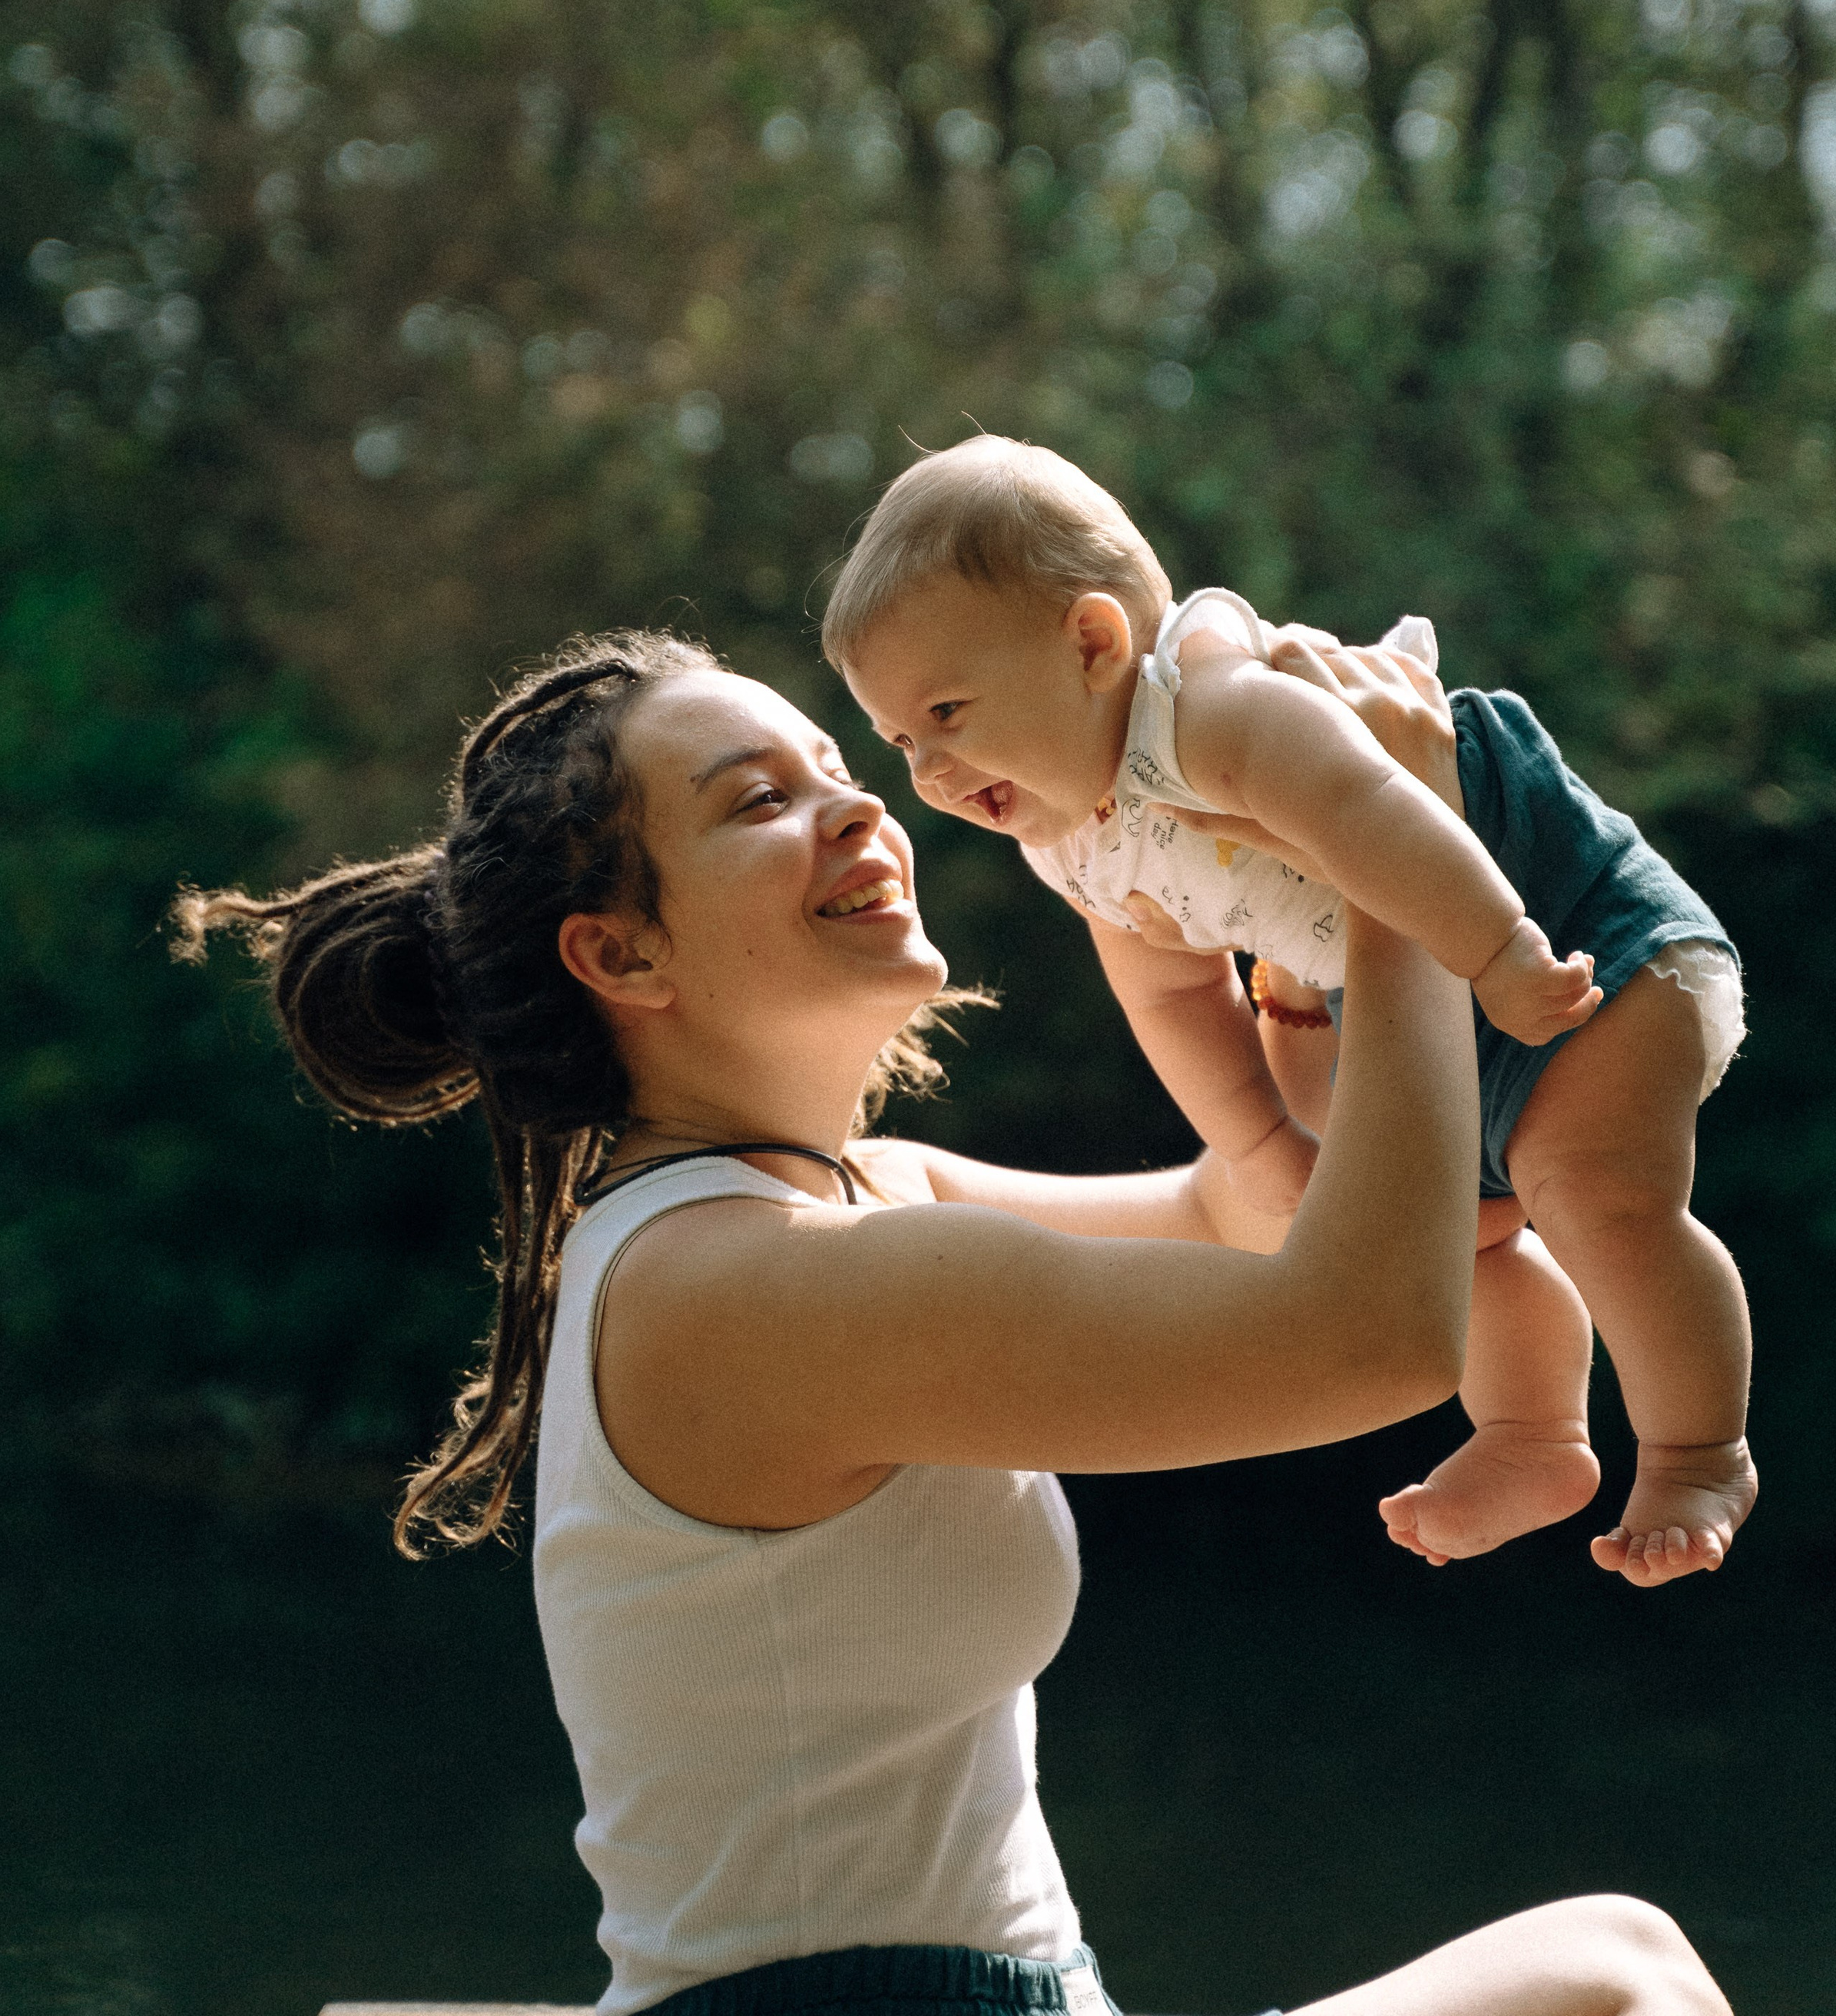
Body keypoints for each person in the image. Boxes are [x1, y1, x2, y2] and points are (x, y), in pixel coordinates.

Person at [177, 627, 1729, 2016]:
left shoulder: (843, 1203)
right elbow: (1367, 1333)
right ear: (620, 954)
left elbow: (1238, 1212)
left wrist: (1299, 935)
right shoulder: (741, 1292)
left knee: (1617, 1959)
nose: (855, 808)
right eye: (753, 802)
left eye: (837, 768)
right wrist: (1404, 873)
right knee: (1620, 1974)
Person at [824, 437, 1754, 1587]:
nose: (928, 772)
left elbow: (1387, 807)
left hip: (1569, 923)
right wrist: (1257, 1136)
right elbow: (1167, 987)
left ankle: (1698, 1450)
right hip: (1417, 990)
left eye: (949, 712)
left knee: (1596, 1192)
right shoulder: (1071, 835)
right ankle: (1534, 1434)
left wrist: (1505, 953)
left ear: (1092, 643)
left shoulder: (1210, 710)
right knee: (1451, 1234)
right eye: (904, 741)